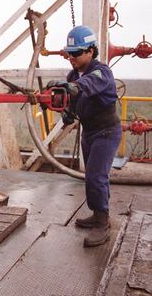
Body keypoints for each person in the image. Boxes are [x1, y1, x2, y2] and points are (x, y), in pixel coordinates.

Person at [46, 25, 122, 247]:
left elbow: (86, 85)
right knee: (92, 175)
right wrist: (68, 110)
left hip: (106, 131)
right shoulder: (72, 74)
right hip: (89, 131)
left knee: (96, 177)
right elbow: (74, 98)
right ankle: (98, 215)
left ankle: (102, 223)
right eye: (69, 53)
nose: (71, 57)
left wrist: (72, 87)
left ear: (91, 51)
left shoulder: (101, 71)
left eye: (76, 53)